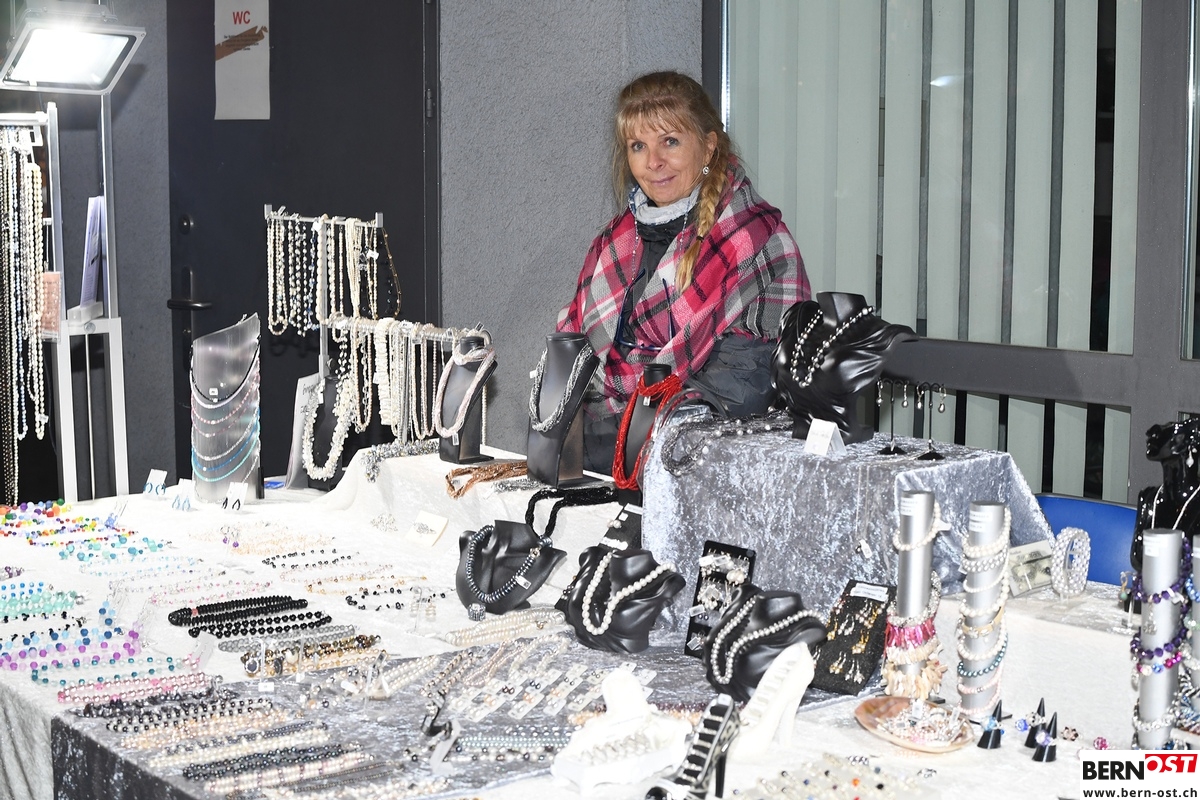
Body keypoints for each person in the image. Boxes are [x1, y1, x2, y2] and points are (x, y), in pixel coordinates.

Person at [556, 70, 810, 471]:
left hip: (696, 469)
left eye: (670, 141)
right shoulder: (611, 243)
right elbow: (570, 358)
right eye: (638, 146)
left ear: (708, 147)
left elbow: (742, 389)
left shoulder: (756, 241)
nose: (653, 162)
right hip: (594, 464)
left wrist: (607, 440)